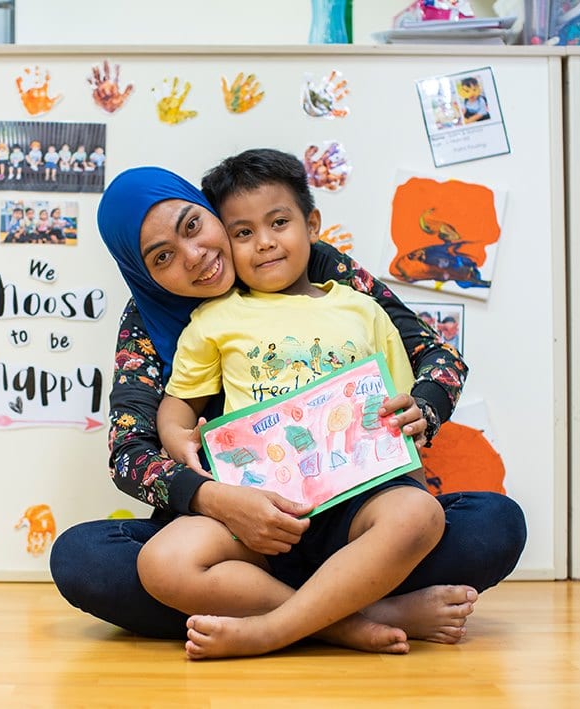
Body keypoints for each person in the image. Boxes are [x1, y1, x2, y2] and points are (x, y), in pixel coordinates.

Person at [49, 159, 526, 647]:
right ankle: (358, 616)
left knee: (491, 523)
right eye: (162, 257)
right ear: (141, 270)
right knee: (84, 557)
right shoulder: (160, 322)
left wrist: (418, 410)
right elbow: (130, 453)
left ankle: (278, 615)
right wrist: (218, 499)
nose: (193, 255)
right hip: (238, 530)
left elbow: (433, 357)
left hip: (352, 512)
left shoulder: (319, 272)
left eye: (193, 225)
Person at [145, 149, 445, 659]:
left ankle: (269, 630)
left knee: (421, 516)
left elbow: (397, 418)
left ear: (312, 225)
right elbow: (177, 406)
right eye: (242, 233)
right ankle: (349, 622)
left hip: (355, 507)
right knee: (160, 562)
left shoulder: (362, 309)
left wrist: (413, 472)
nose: (264, 242)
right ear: (227, 243)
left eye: (279, 222)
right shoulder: (215, 320)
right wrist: (177, 438)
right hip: (254, 512)